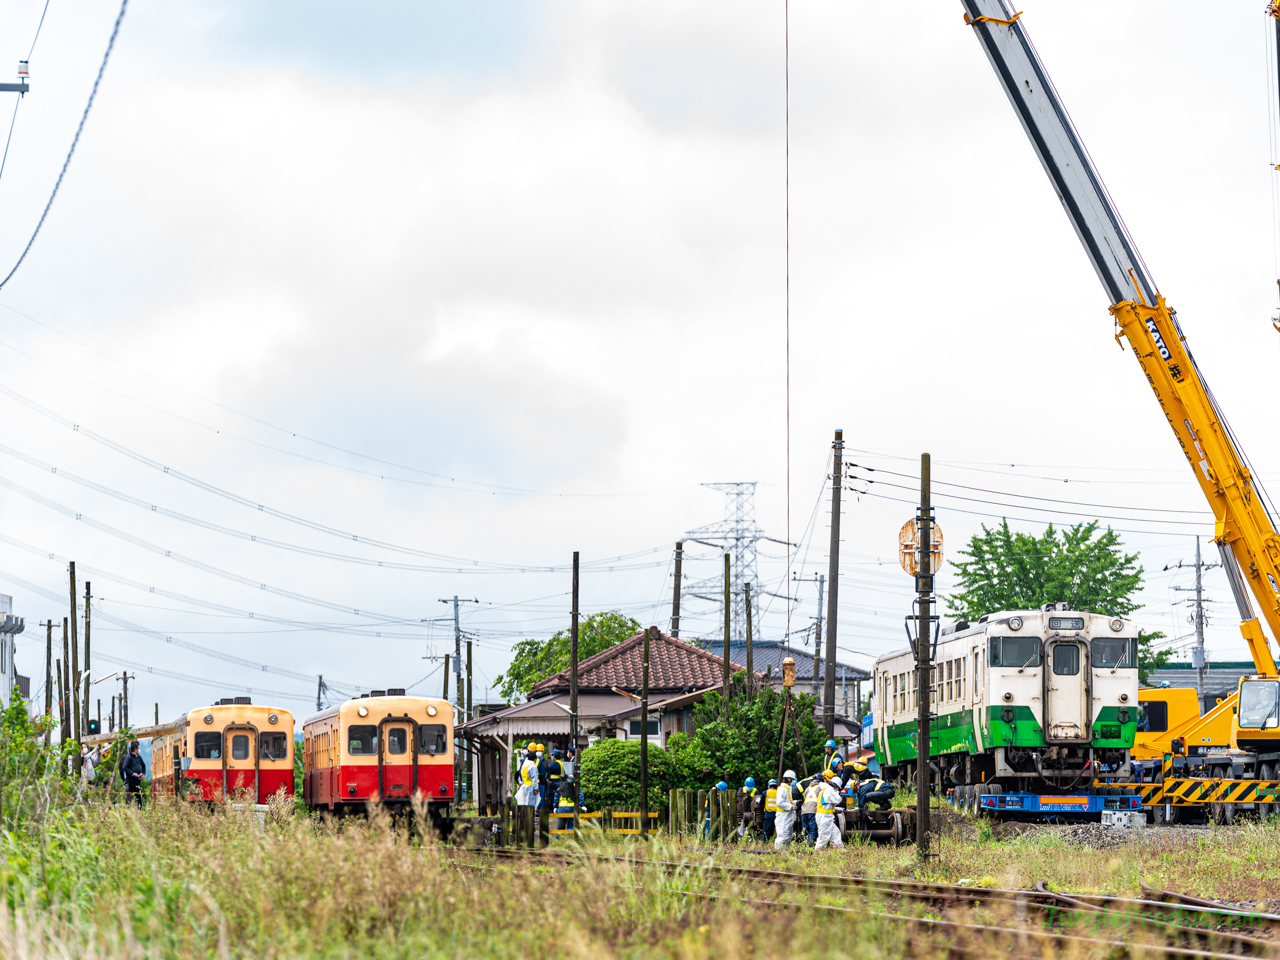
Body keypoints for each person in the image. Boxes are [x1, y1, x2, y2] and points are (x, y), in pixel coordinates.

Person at [814, 769, 844, 850]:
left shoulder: (826, 789)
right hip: (824, 817)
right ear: (836, 786)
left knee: (836, 833)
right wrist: (837, 793)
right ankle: (818, 852)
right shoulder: (829, 790)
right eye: (838, 788)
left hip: (827, 817)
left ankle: (839, 849)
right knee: (824, 836)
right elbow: (838, 800)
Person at [773, 770, 797, 849]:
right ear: (789, 779)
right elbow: (780, 802)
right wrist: (791, 806)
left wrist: (795, 803)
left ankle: (784, 853)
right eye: (793, 779)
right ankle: (777, 853)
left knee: (787, 837)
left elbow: (787, 801)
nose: (794, 781)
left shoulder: (788, 788)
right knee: (782, 836)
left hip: (787, 816)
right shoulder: (782, 789)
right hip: (782, 817)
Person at [122, 740, 146, 806]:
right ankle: (127, 812)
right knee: (129, 798)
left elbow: (143, 765)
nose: (139, 749)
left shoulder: (138, 757)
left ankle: (140, 810)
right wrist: (133, 773)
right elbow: (125, 767)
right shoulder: (129, 757)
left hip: (137, 780)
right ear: (135, 749)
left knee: (139, 797)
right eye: (138, 748)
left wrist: (143, 774)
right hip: (130, 780)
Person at [801, 776, 821, 845]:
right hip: (813, 811)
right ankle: (810, 847)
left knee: (805, 830)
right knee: (813, 830)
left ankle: (805, 845)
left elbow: (804, 797)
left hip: (804, 811)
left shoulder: (807, 788)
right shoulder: (820, 788)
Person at [763, 778, 779, 842]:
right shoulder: (778, 792)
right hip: (777, 814)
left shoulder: (765, 792)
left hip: (768, 814)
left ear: (769, 785)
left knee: (766, 830)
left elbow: (761, 802)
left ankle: (765, 843)